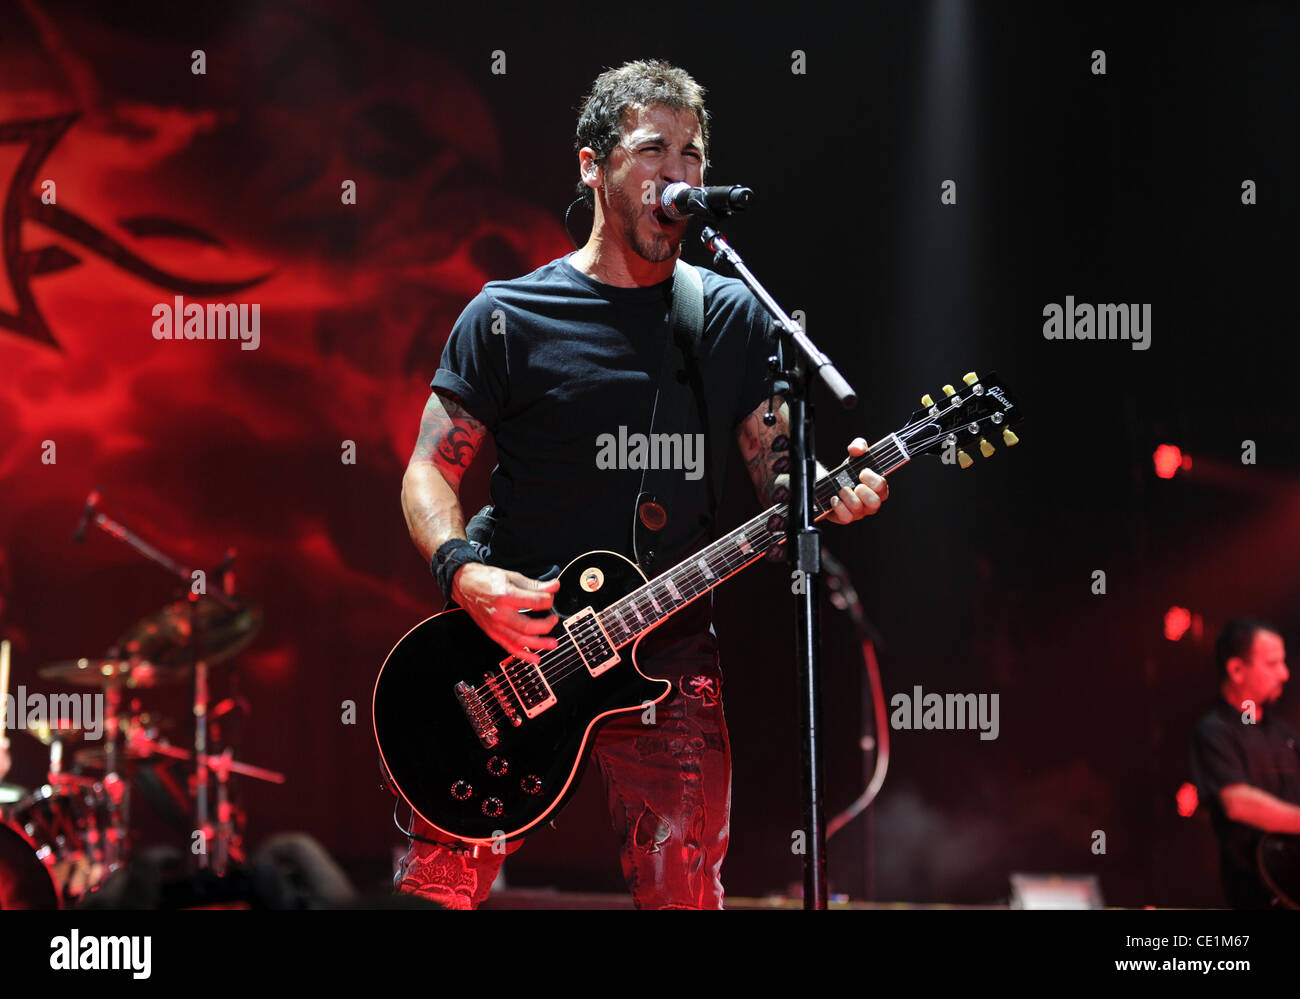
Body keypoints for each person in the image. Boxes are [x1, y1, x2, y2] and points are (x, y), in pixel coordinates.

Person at [394, 59, 887, 909]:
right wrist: (461, 571)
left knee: (685, 898)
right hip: (508, 650)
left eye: (694, 153)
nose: (681, 172)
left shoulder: (728, 314)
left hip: (666, 652)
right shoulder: (508, 315)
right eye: (654, 148)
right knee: (436, 895)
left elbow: (778, 472)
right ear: (592, 164)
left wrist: (824, 485)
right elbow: (428, 470)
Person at [1189, 617, 1300, 907]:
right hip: (1257, 893)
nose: (1285, 674)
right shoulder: (1215, 732)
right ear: (1237, 669)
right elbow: (1239, 804)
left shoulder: (1285, 734)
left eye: (1284, 663)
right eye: (1273, 664)